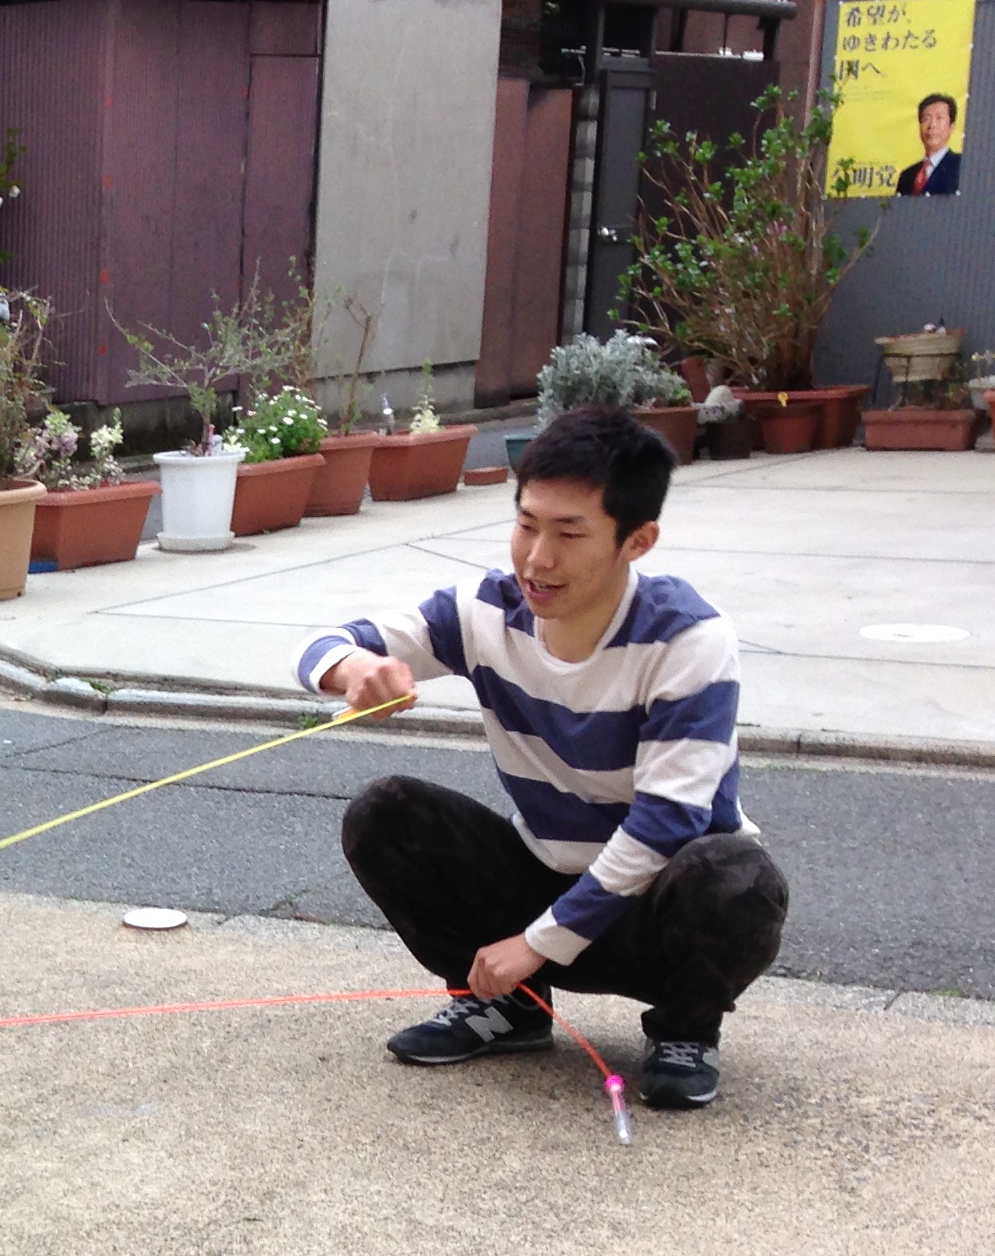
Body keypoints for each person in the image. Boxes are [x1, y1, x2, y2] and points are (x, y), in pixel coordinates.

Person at [301, 405, 788, 1111]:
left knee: (736, 879)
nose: (537, 558)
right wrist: (354, 671)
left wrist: (536, 945)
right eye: (526, 524)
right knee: (386, 813)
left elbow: (666, 824)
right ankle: (509, 1010)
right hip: (542, 878)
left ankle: (685, 1029)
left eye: (569, 533)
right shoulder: (484, 612)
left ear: (637, 540)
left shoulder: (688, 640)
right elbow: (322, 644)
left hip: (653, 911)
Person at [897, 94, 963, 197]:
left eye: (939, 118)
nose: (932, 125)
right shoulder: (907, 176)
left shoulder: (961, 166)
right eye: (926, 119)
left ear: (951, 127)